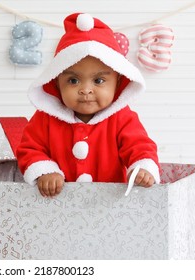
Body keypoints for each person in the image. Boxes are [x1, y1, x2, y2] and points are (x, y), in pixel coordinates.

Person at [16, 13, 160, 197]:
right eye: (73, 80)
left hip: (108, 205)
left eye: (99, 80)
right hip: (57, 207)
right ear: (56, 82)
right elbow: (30, 148)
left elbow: (139, 146)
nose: (85, 90)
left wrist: (141, 168)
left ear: (118, 81)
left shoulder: (122, 118)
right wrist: (45, 170)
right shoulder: (45, 118)